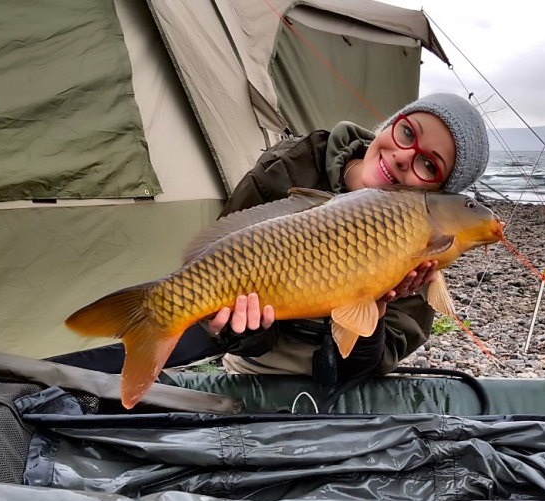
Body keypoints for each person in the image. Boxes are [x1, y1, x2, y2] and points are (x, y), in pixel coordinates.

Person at [204, 92, 490, 393]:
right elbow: (216, 281)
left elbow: (368, 366)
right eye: (407, 132)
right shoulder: (289, 166)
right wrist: (247, 329)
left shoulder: (423, 253)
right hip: (256, 369)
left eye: (429, 165)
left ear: (437, 196)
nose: (404, 157)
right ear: (390, 124)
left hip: (347, 386)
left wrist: (376, 311)